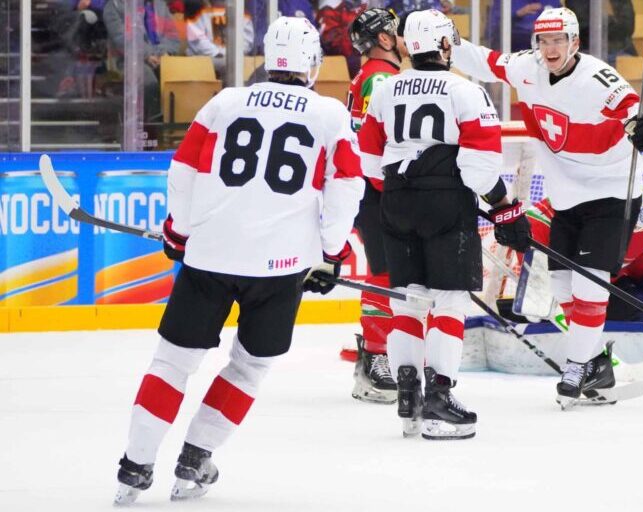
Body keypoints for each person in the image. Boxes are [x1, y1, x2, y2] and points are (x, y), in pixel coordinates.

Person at [113, 16, 364, 504]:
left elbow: (183, 170)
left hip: (210, 255)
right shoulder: (329, 114)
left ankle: (134, 466)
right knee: (248, 367)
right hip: (279, 267)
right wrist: (332, 252)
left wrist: (179, 230)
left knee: (172, 362)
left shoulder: (225, 101)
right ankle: (195, 458)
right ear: (312, 63)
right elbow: (346, 188)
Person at [450, 6, 643, 406]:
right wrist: (450, 40)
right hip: (567, 197)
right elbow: (484, 61)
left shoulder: (597, 78)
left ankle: (576, 367)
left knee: (589, 281)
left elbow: (638, 107)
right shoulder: (527, 68)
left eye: (558, 41)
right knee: (562, 286)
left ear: (574, 42)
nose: (550, 49)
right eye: (543, 41)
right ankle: (596, 363)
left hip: (612, 190)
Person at [359, 9, 526, 439]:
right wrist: (504, 206)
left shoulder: (387, 89)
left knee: (408, 301)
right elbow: (479, 167)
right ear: (446, 44)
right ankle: (439, 400)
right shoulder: (465, 91)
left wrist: (405, 188)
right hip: (446, 204)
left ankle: (409, 398)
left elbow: (369, 160)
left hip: (395, 202)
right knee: (449, 302)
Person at [345, 7, 408, 404]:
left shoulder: (370, 74)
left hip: (371, 188)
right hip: (379, 189)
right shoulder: (383, 78)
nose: (403, 40)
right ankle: (375, 358)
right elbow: (383, 140)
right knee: (385, 275)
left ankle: (380, 354)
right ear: (384, 39)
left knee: (389, 273)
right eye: (397, 33)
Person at [525, 182, 643, 322]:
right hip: (568, 289)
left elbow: (642, 256)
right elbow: (532, 229)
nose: (633, 230)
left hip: (601, 287)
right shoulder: (579, 206)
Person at [103, 0, 182, 121]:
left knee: (181, 78)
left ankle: (179, 122)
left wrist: (164, 52)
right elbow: (122, 39)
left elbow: (172, 36)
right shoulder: (114, 6)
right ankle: (154, 124)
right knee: (148, 81)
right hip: (128, 59)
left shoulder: (159, 5)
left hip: (161, 56)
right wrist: (147, 55)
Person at [566, 0, 636, 66]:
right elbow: (585, 27)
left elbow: (628, 26)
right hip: (588, 51)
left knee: (633, 66)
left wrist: (607, 20)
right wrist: (612, 20)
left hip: (622, 49)